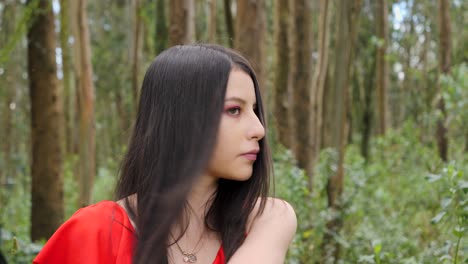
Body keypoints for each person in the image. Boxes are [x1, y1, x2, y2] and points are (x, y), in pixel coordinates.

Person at [33, 44, 297, 264]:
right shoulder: (96, 233)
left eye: (254, 110)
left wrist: (273, 227)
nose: (259, 129)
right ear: (181, 119)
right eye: (234, 110)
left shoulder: (258, 228)